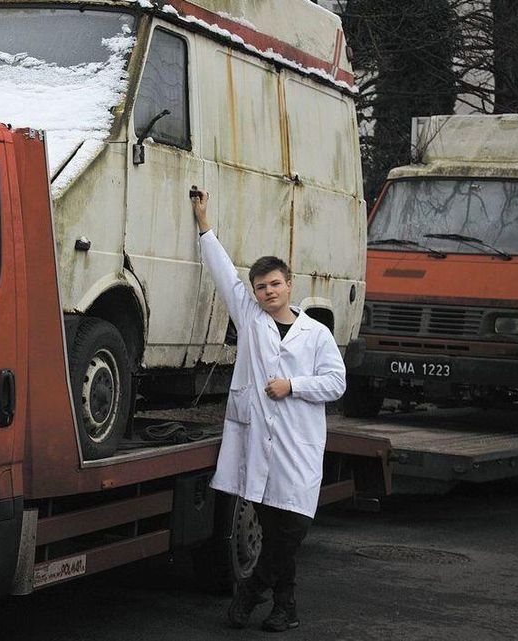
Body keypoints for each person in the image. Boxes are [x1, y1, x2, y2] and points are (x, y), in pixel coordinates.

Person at [190, 187, 346, 632]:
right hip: (258, 442)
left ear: (289, 284)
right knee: (277, 532)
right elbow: (221, 271)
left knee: (291, 529)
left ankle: (250, 594)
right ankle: (286, 609)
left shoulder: (315, 334)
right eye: (260, 287)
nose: (267, 292)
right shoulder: (251, 318)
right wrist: (204, 222)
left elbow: (337, 383)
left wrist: (292, 385)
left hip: (298, 446)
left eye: (274, 284)